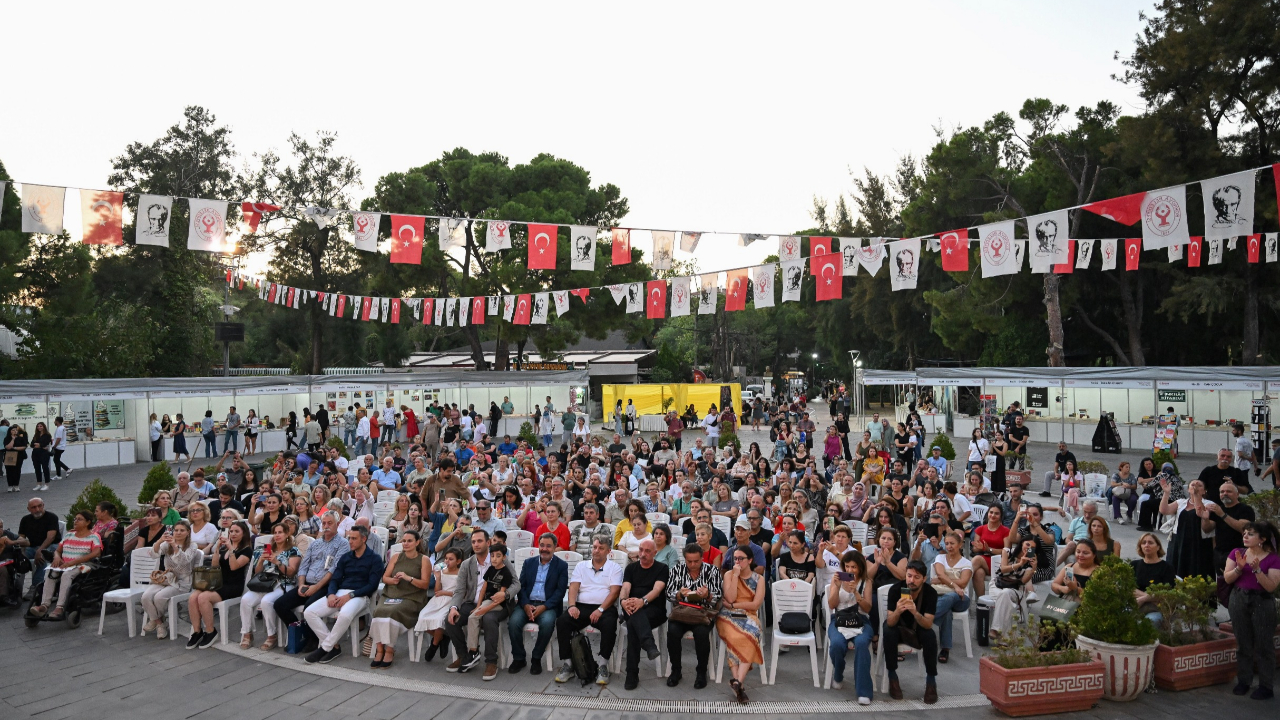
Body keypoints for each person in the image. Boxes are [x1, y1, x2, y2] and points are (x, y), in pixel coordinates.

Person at [304, 524, 384, 664]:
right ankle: (334, 646)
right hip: (340, 592)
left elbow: (372, 586)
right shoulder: (346, 557)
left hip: (360, 595)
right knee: (309, 612)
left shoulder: (374, 559)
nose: (350, 541)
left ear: (364, 539)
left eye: (354, 538)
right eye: (349, 538)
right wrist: (331, 594)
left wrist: (350, 596)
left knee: (345, 614)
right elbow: (335, 579)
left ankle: (324, 648)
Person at [273, 512, 349, 653]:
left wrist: (316, 587)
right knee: (279, 604)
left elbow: (334, 570)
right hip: (306, 582)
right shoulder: (316, 543)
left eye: (329, 523)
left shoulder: (343, 544)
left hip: (326, 585)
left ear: (338, 525)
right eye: (324, 523)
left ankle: (313, 639)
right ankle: (303, 634)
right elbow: (304, 566)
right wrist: (301, 584)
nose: (326, 526)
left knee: (309, 606)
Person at [1222, 521, 1279, 700]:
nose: (1245, 536)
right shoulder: (1237, 553)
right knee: (1243, 642)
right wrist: (1239, 568)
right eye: (1245, 533)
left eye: (1251, 534)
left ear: (1262, 539)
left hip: (1261, 601)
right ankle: (1244, 681)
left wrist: (1257, 571)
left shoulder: (1273, 558)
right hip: (1239, 598)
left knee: (1264, 645)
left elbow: (1270, 586)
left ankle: (1266, 685)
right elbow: (1227, 578)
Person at [554, 537, 623, 685]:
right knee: (562, 622)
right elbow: (573, 587)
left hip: (604, 608)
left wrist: (600, 609)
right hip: (581, 606)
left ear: (608, 551)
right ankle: (568, 664)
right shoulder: (581, 566)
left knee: (610, 624)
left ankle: (603, 665)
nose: (596, 550)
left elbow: (614, 593)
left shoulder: (614, 568)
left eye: (601, 548)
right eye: (595, 547)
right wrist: (572, 606)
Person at [444, 530, 507, 674]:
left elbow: (516, 583)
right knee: (450, 619)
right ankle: (465, 656)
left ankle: (491, 662)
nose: (476, 545)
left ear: (488, 543)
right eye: (473, 542)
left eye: (479, 541)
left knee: (489, 619)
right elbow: (459, 590)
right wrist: (453, 607)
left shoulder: (499, 559)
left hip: (495, 604)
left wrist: (505, 593)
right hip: (472, 603)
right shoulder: (467, 564)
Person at [507, 533, 569, 675]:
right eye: (542, 545)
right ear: (538, 546)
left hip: (548, 605)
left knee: (547, 624)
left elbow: (560, 592)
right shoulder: (529, 563)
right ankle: (519, 658)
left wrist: (545, 606)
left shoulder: (561, 566)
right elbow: (520, 586)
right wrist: (525, 605)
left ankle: (536, 658)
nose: (544, 549)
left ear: (554, 547)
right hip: (527, 603)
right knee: (513, 623)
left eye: (548, 546)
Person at [368, 529, 431, 668]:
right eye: (404, 541)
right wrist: (393, 581)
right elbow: (385, 577)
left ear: (417, 542)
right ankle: (379, 649)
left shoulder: (424, 560)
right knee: (378, 611)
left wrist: (408, 578)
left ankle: (389, 649)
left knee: (392, 612)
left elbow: (425, 584)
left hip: (412, 597)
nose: (406, 544)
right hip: (392, 594)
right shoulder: (396, 557)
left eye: (409, 541)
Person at [665, 543, 723, 689]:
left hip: (703, 612)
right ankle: (676, 670)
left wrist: (708, 595)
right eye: (689, 561)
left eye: (696, 561)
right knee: (672, 631)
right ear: (684, 559)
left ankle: (701, 672)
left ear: (702, 558)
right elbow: (668, 594)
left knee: (702, 633)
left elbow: (718, 596)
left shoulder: (713, 571)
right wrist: (679, 594)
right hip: (682, 612)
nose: (693, 564)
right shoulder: (676, 570)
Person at [186, 520, 252, 649]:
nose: (233, 534)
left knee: (203, 598)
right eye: (231, 531)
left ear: (243, 534)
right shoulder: (224, 548)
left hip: (233, 586)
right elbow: (215, 565)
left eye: (236, 531)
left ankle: (210, 631)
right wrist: (217, 548)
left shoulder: (246, 550)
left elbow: (234, 567)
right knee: (193, 597)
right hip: (219, 582)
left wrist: (231, 549)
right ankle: (197, 631)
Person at [882, 559, 939, 704]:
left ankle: (931, 681)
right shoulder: (895, 590)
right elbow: (890, 621)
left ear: (924, 579)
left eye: (916, 577)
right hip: (898, 626)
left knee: (930, 636)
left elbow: (927, 624)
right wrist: (898, 611)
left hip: (918, 626)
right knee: (888, 631)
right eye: (909, 576)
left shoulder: (930, 593)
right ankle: (892, 676)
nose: (911, 580)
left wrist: (915, 612)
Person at [29, 510, 102, 621]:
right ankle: (44, 605)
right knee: (50, 572)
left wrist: (73, 562)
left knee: (67, 574)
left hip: (84, 564)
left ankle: (59, 607)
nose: (75, 521)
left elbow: (96, 553)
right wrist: (57, 557)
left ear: (88, 522)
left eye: (79, 519)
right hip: (66, 563)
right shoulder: (69, 535)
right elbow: (58, 551)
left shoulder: (94, 536)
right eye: (75, 519)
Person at [238, 523, 301, 649]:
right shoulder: (267, 549)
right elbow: (257, 572)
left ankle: (272, 635)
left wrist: (277, 562)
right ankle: (247, 633)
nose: (277, 535)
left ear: (287, 534)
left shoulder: (293, 550)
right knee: (245, 600)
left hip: (283, 583)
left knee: (266, 601)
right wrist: (261, 560)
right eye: (275, 533)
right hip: (264, 583)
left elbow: (291, 572)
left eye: (280, 532)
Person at [619, 538, 670, 690]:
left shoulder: (662, 568)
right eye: (641, 550)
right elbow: (626, 588)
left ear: (655, 553)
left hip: (654, 610)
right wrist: (622, 601)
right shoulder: (631, 568)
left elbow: (657, 590)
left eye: (647, 551)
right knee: (635, 618)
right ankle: (649, 645)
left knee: (633, 625)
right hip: (630, 607)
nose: (643, 554)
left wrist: (643, 601)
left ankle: (631, 674)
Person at [718, 546, 766, 704]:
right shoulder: (729, 575)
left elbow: (756, 605)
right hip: (727, 616)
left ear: (750, 560)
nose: (737, 561)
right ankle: (739, 684)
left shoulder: (759, 579)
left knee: (752, 634)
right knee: (735, 636)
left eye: (741, 559)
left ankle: (737, 682)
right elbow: (730, 598)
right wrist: (735, 576)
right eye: (735, 558)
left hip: (749, 615)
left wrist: (734, 606)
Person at [1160, 477, 1217, 582]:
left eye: (1199, 485)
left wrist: (1196, 496)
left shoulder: (1209, 503)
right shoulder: (1181, 502)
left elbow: (1200, 512)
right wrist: (1166, 493)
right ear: (1188, 489)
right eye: (1192, 485)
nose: (1195, 486)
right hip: (1179, 540)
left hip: (1199, 542)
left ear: (1204, 491)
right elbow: (1164, 510)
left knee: (1197, 570)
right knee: (1176, 569)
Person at [931, 530, 972, 664]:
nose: (949, 546)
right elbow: (941, 575)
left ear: (960, 544)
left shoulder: (966, 563)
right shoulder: (940, 558)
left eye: (952, 543)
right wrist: (954, 584)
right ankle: (945, 649)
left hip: (960, 599)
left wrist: (942, 580)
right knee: (947, 611)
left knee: (951, 597)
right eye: (946, 543)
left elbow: (964, 582)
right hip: (939, 595)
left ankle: (925, 621)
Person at [416, 548, 463, 662]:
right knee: (422, 617)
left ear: (458, 561)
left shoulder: (461, 573)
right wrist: (438, 578)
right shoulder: (442, 571)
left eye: (451, 559)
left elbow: (461, 592)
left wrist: (445, 593)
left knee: (440, 619)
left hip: (452, 600)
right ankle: (442, 637)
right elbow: (437, 591)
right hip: (439, 599)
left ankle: (434, 645)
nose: (447, 561)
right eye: (446, 558)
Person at [989, 538, 1039, 640]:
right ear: (1021, 543)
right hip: (997, 585)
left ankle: (995, 629)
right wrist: (1020, 564)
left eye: (1032, 548)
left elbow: (1023, 581)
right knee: (1005, 596)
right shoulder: (1007, 552)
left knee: (1005, 594)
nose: (1029, 548)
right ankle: (1005, 639)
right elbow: (1003, 569)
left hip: (1016, 589)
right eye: (1027, 544)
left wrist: (1033, 569)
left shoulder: (1031, 562)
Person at [1131, 533, 1176, 624]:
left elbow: (1167, 593)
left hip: (1156, 609)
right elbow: (1129, 588)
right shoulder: (1134, 565)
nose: (1146, 545)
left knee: (1149, 623)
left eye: (1150, 542)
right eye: (1143, 543)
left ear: (1158, 547)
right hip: (1136, 605)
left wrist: (1142, 599)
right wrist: (1151, 597)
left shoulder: (1167, 568)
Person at [971, 505, 1009, 595]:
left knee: (977, 559)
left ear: (1001, 516)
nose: (993, 515)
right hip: (984, 559)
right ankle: (982, 602)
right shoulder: (980, 529)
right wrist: (978, 548)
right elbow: (975, 549)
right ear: (987, 514)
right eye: (991, 512)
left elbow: (1007, 551)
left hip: (1000, 561)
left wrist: (988, 549)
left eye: (996, 513)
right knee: (978, 573)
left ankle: (960, 578)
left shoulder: (1005, 531)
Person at [4, 425, 29, 491]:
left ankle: (16, 485)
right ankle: (10, 485)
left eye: (16, 430)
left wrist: (15, 448)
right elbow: (8, 447)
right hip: (10, 455)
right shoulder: (7, 438)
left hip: (19, 455)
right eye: (13, 430)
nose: (15, 431)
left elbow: (24, 446)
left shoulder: (21, 438)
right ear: (10, 431)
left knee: (17, 470)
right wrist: (13, 439)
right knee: (9, 471)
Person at [29, 422, 53, 491]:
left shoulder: (47, 435)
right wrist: (39, 445)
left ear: (44, 427)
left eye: (41, 426)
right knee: (37, 469)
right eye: (38, 426)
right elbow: (31, 444)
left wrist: (39, 445)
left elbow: (45, 443)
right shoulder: (36, 435)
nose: (39, 427)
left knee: (45, 468)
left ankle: (46, 484)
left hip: (44, 454)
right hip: (35, 454)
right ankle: (38, 483)